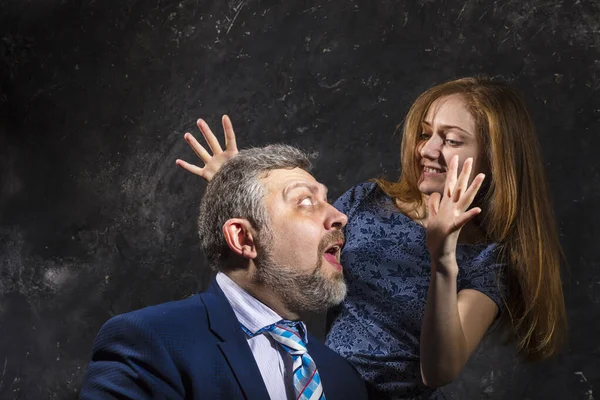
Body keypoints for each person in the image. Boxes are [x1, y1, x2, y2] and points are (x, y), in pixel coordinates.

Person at [175, 76, 567, 399]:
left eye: (451, 140)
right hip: (322, 388)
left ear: (493, 155)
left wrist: (443, 259)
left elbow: (439, 371)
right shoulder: (370, 201)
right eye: (426, 133)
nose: (428, 150)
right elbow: (294, 262)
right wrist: (245, 197)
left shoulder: (489, 259)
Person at [80, 145, 368, 400]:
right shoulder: (150, 341)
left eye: (327, 199)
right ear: (243, 238)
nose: (339, 216)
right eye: (305, 202)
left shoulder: (343, 378)